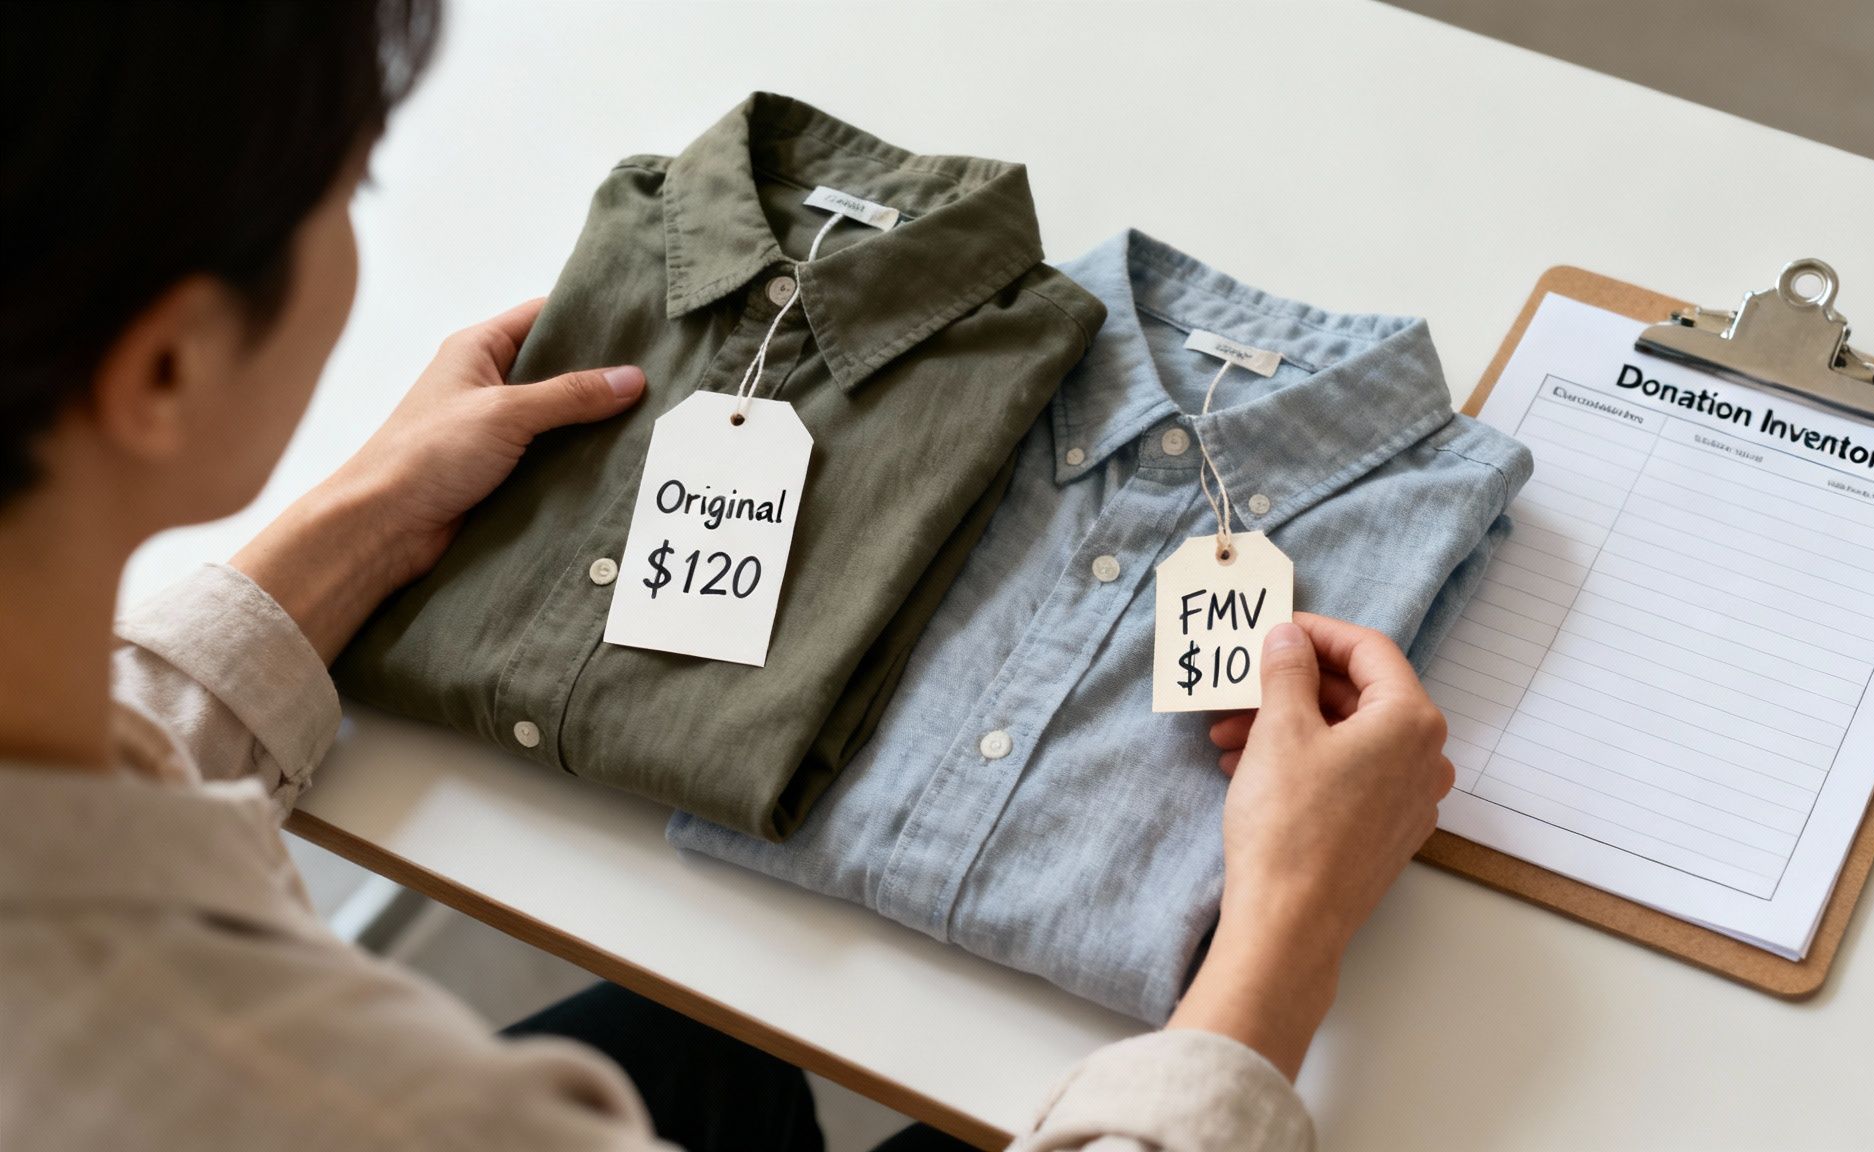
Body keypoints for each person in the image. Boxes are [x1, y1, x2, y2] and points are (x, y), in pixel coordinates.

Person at [0, 3, 1455, 1150]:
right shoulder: (373, 1110)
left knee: (702, 1052)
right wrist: (1284, 937)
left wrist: (367, 521)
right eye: (349, 186)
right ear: (171, 365)